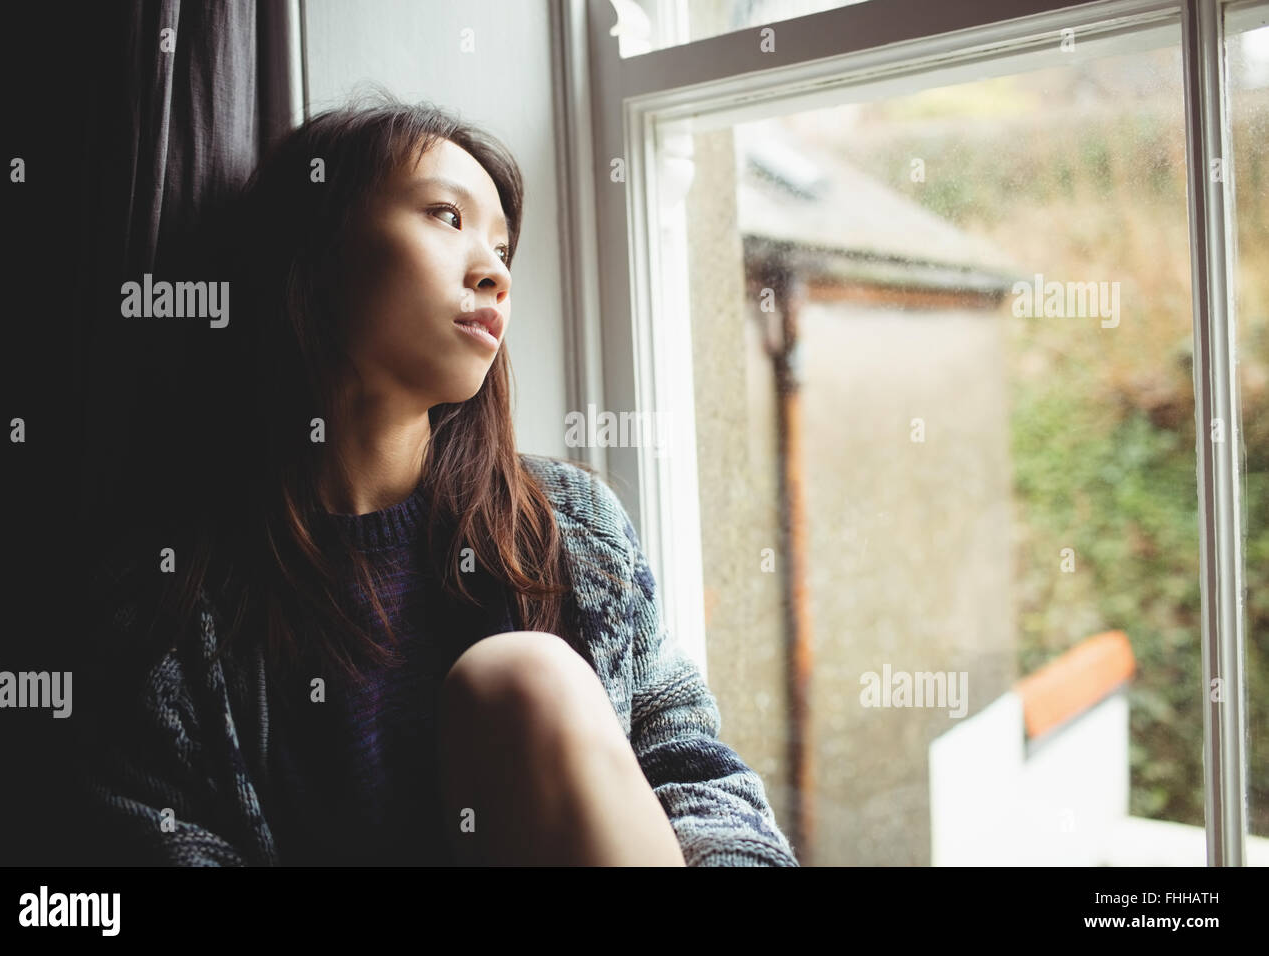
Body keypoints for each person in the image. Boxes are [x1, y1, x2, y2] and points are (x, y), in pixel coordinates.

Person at [77, 95, 798, 867]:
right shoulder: (171, 593)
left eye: (503, 246)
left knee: (524, 676)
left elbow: (694, 775)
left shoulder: (570, 526)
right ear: (315, 252)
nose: (494, 272)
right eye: (446, 217)